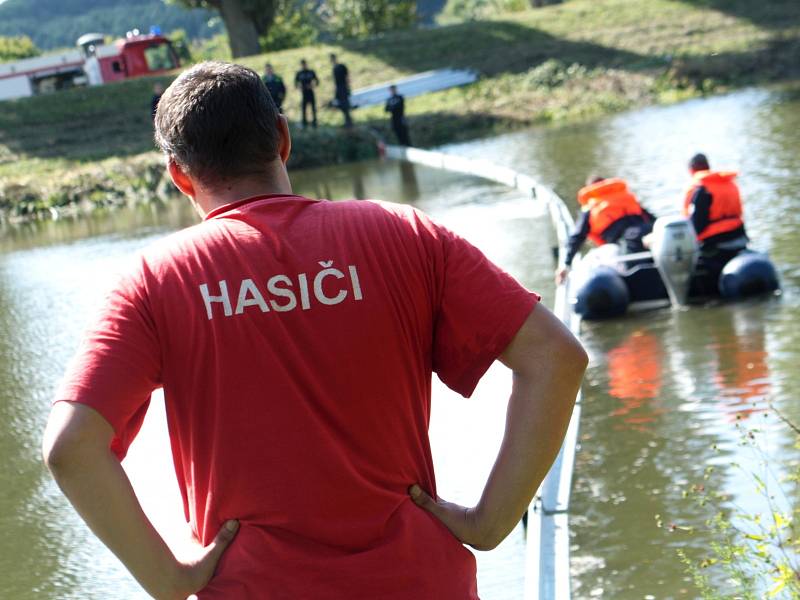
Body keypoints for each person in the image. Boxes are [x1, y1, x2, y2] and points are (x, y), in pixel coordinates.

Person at [42, 61, 587, 599]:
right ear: (282, 137)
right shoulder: (404, 234)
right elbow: (557, 357)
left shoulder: (155, 281)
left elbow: (71, 446)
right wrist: (491, 522)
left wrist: (167, 579)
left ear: (178, 174)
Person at [556, 176, 655, 284]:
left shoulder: (590, 207)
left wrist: (566, 264)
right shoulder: (626, 197)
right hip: (647, 232)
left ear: (590, 189)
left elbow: (577, 236)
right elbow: (653, 220)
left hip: (626, 241)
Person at [683, 152, 749, 295]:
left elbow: (697, 227)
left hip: (715, 247)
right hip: (739, 239)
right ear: (708, 166)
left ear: (691, 170)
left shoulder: (701, 189)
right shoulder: (729, 183)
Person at [294, 59, 318, 128]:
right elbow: (295, 83)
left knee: (313, 108)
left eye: (304, 64)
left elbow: (317, 81)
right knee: (303, 108)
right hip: (304, 93)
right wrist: (299, 87)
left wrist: (312, 85)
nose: (304, 66)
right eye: (302, 64)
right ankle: (304, 123)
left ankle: (314, 123)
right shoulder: (299, 73)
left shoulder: (311, 72)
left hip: (311, 92)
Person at [330, 53, 352, 128]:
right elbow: (335, 82)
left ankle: (349, 122)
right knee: (341, 105)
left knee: (345, 105)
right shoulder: (334, 69)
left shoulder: (342, 67)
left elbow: (347, 77)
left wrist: (348, 88)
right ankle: (347, 122)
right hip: (339, 88)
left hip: (343, 87)